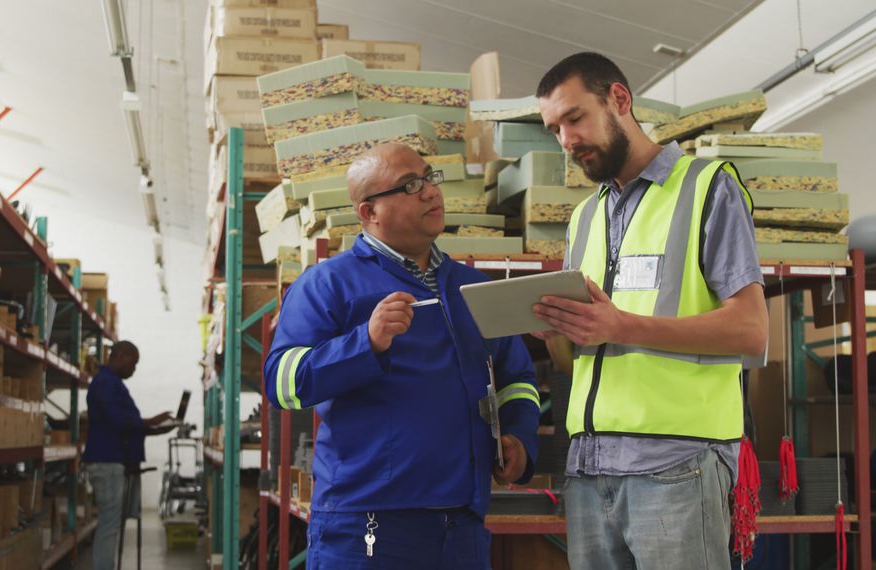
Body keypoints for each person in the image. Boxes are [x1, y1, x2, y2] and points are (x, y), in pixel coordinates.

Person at [532, 52, 769, 569]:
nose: (567, 140)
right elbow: (581, 354)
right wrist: (553, 328)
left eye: (575, 118)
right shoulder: (584, 216)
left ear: (619, 99)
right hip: (589, 468)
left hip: (677, 463)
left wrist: (620, 325)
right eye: (554, 129)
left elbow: (752, 331)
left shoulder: (708, 187)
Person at [264, 143, 541, 569]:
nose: (431, 191)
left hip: (462, 522)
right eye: (410, 185)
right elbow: (282, 384)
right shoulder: (326, 285)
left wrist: (520, 441)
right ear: (369, 213)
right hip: (367, 525)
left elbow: (517, 377)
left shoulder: (472, 288)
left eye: (430, 177)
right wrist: (364, 344)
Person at [82, 341, 177, 570]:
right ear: (120, 356)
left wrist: (155, 429)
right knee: (109, 525)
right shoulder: (105, 383)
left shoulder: (112, 383)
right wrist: (152, 422)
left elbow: (125, 425)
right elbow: (118, 421)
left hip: (114, 462)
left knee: (111, 524)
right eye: (133, 363)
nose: (134, 369)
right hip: (107, 462)